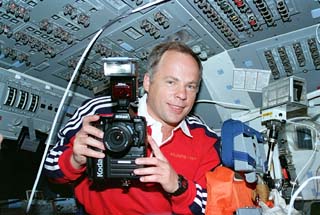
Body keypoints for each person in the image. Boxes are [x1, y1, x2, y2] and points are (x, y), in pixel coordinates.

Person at [44, 41, 221, 215]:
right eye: (171, 82)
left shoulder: (206, 140)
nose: (182, 95)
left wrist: (177, 185)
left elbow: (214, 206)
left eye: (190, 86)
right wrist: (74, 160)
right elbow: (50, 169)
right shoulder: (99, 112)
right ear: (147, 82)